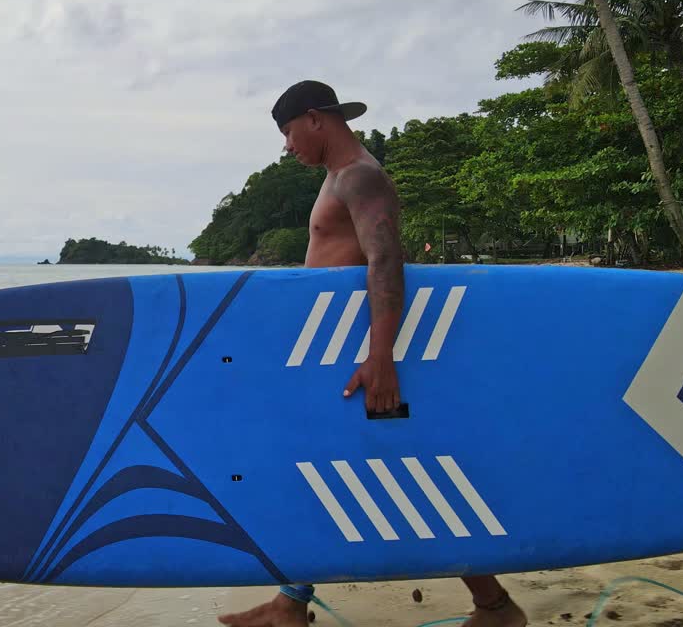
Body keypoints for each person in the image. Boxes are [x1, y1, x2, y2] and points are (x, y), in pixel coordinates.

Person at [216, 81, 527, 627]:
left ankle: (495, 605)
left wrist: (380, 356)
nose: (287, 146)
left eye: (288, 133)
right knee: (343, 464)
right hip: (337, 350)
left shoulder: (360, 175)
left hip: (360, 353)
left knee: (380, 471)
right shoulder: (339, 177)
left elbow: (386, 259)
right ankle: (292, 603)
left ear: (314, 120)